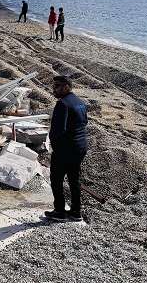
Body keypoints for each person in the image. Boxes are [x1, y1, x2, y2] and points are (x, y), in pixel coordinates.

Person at [44, 75, 88, 223]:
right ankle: (76, 211)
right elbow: (85, 122)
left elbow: (59, 129)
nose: (54, 89)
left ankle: (59, 212)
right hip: (80, 147)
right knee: (74, 179)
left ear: (66, 87)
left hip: (66, 149)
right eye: (53, 85)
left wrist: (54, 144)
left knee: (56, 179)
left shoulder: (63, 104)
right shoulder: (79, 102)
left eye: (57, 86)